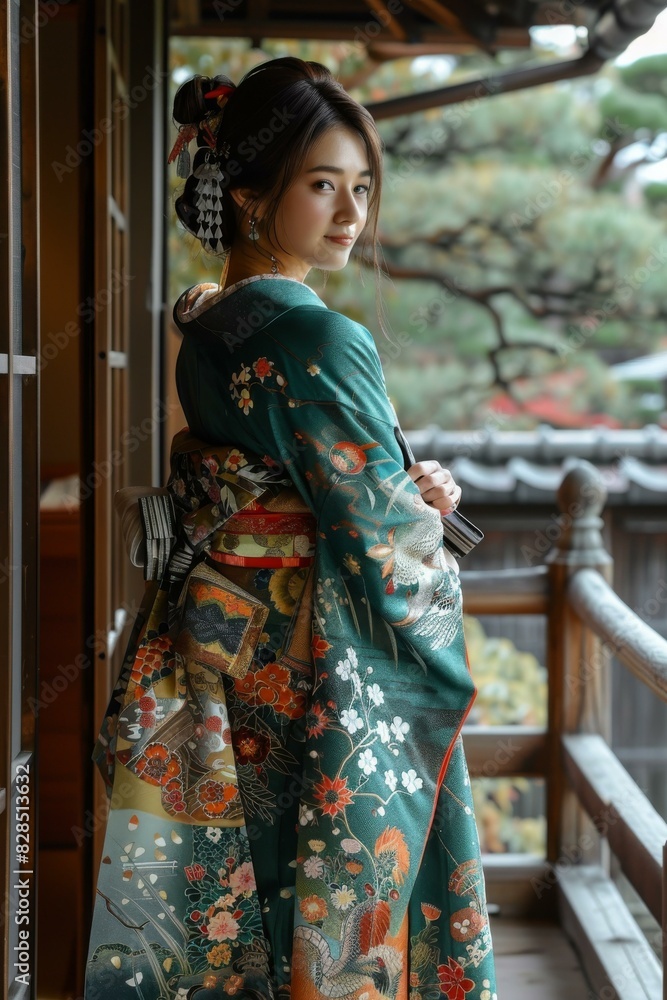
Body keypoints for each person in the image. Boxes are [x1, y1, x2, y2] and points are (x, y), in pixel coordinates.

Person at [85, 56, 497, 1000]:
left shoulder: (208, 325)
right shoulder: (319, 336)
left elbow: (315, 474)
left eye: (359, 188)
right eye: (322, 186)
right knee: (323, 901)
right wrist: (424, 517)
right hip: (307, 662)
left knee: (247, 901)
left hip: (221, 652)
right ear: (249, 189)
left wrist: (400, 483)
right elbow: (380, 540)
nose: (349, 214)